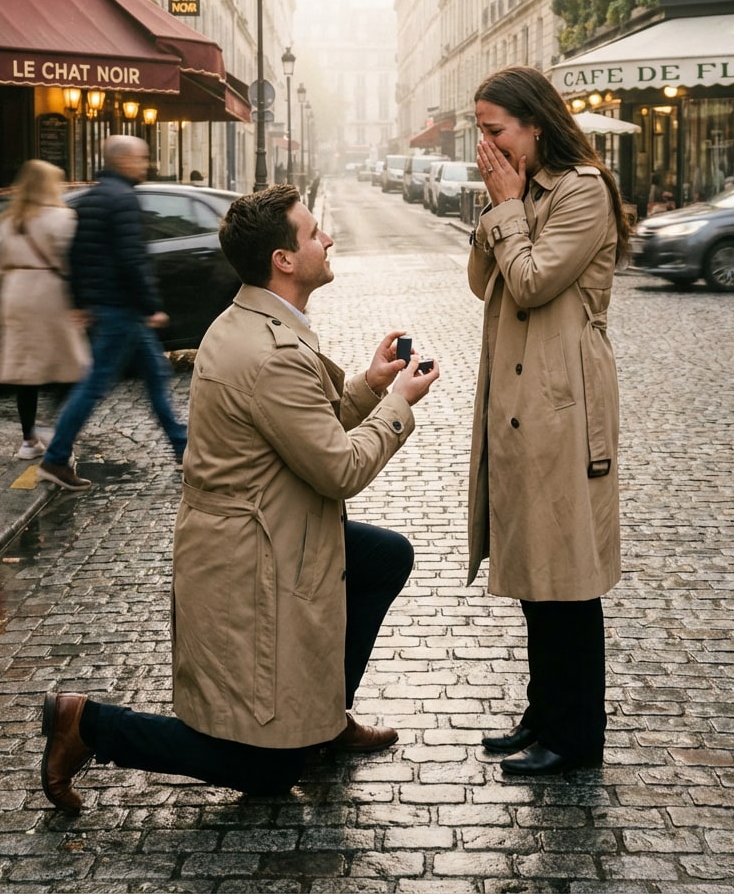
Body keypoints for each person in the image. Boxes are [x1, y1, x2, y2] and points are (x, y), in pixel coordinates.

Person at [39, 183, 440, 813]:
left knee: (383, 556)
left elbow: (303, 426)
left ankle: (325, 716)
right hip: (253, 559)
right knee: (268, 771)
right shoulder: (271, 351)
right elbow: (338, 468)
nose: (328, 239)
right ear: (284, 260)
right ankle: (87, 724)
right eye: (314, 233)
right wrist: (398, 404)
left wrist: (368, 383)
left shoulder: (252, 321)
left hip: (268, 530)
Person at [466, 65, 629, 777]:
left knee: (567, 576)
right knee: (536, 573)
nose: (487, 145)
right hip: (519, 401)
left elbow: (532, 283)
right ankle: (544, 713)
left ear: (535, 124)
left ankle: (577, 735)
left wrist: (506, 208)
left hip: (563, 401)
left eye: (495, 130)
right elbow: (484, 281)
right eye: (480, 131)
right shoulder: (525, 191)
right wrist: (499, 207)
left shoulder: (583, 191)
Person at [37, 135, 187, 491]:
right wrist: (150, 305)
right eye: (141, 158)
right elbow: (132, 259)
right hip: (124, 309)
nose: (146, 165)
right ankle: (56, 457)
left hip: (109, 306)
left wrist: (80, 301)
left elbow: (75, 254)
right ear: (123, 160)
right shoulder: (123, 199)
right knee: (94, 385)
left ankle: (183, 447)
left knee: (156, 374)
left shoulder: (92, 198)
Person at [0, 160, 90, 458]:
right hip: (48, 293)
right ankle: (59, 429)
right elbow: (73, 261)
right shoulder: (62, 217)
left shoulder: (9, 219)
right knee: (70, 364)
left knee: (26, 369)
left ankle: (29, 441)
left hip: (14, 291)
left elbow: (0, 260)